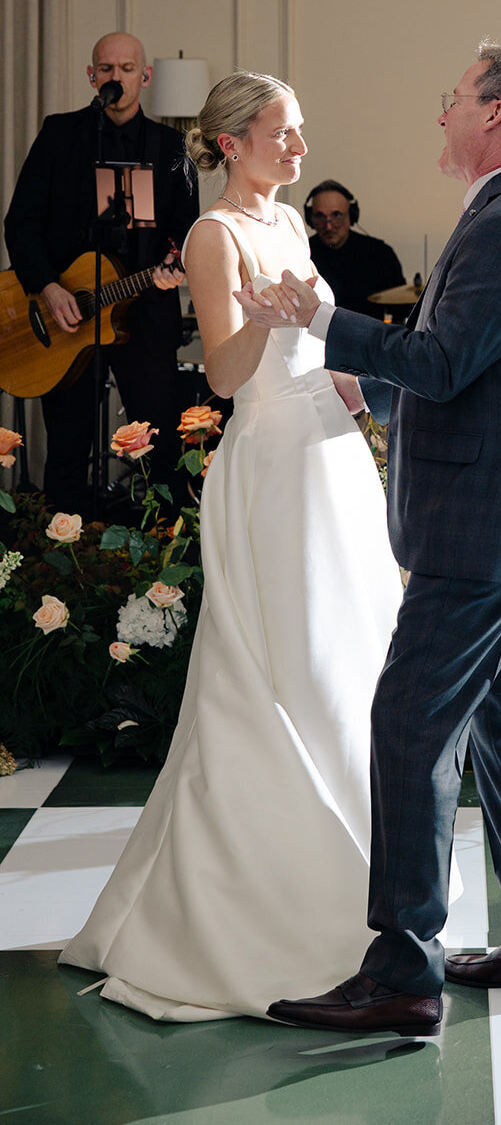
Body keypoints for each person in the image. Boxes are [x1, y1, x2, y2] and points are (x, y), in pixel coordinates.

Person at [239, 42, 501, 1037]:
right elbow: (476, 364)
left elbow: (441, 364)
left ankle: (402, 969)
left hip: (483, 530)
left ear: (493, 114)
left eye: (452, 99)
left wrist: (323, 317)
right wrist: (359, 383)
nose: (441, 113)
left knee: (408, 726)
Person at [59, 72, 402, 1020]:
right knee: (279, 666)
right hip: (272, 466)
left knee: (346, 661)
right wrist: (267, 313)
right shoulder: (214, 238)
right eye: (284, 134)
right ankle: (260, 906)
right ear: (235, 141)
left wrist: (355, 385)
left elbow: (320, 344)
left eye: (300, 133)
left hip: (332, 461)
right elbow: (221, 370)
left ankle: (365, 885)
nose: (300, 149)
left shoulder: (291, 228)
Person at [3, 32, 199, 511]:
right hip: (65, 321)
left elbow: (186, 230)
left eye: (127, 69)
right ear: (92, 77)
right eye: (106, 69)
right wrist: (48, 287)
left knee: (159, 446)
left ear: (144, 77)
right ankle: (63, 563)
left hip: (145, 317)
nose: (116, 78)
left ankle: (162, 560)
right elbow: (21, 222)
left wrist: (173, 263)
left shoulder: (172, 146)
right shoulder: (60, 135)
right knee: (68, 450)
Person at [304, 179, 406, 321]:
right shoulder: (302, 253)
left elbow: (401, 309)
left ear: (351, 215)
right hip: (317, 340)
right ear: (310, 219)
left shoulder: (380, 254)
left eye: (336, 215)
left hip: (368, 339)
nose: (328, 226)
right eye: (320, 216)